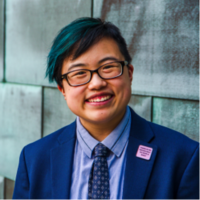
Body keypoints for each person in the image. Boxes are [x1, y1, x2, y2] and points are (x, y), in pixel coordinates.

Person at [13, 17, 200, 200]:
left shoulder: (183, 158)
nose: (96, 83)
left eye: (108, 67)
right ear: (62, 89)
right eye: (79, 73)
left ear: (129, 74)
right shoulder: (34, 159)